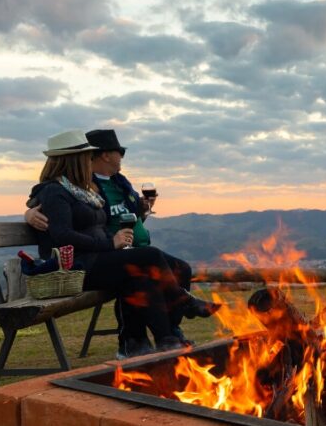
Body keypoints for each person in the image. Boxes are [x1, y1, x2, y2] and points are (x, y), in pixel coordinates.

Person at [25, 128, 216, 351]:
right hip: (76, 267)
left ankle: (160, 341)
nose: (90, 160)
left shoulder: (80, 191)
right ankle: (182, 302)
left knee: (149, 275)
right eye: (87, 156)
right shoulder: (54, 191)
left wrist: (118, 241)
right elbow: (62, 235)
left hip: (98, 259)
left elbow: (96, 225)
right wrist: (111, 243)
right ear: (75, 159)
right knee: (150, 256)